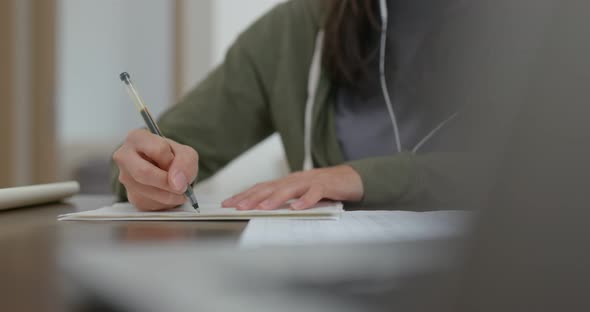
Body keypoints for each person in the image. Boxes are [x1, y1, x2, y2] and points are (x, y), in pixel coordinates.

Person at [112, 0, 464, 211]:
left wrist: (362, 177)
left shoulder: (513, 27)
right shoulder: (292, 32)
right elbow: (154, 157)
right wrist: (148, 174)